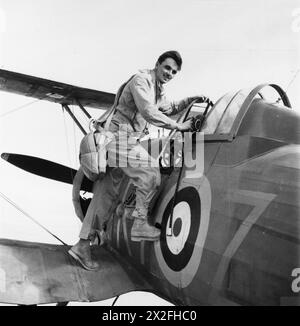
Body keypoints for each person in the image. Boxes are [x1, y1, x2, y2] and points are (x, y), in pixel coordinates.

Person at [68, 50, 208, 270]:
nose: (170, 73)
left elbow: (168, 108)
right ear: (157, 64)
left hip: (124, 141)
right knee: (151, 173)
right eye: (167, 68)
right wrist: (179, 126)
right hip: (119, 138)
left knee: (106, 196)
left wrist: (190, 100)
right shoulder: (141, 80)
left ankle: (82, 246)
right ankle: (140, 224)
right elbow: (149, 111)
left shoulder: (157, 90)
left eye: (174, 71)